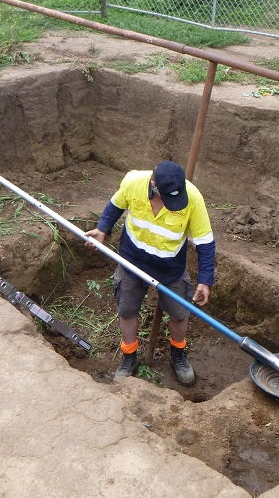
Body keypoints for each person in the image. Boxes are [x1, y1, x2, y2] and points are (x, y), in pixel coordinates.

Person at [84, 161, 215, 386]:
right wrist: (103, 229)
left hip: (170, 268)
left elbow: (205, 242)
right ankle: (129, 356)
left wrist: (205, 279)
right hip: (131, 261)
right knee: (127, 310)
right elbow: (116, 205)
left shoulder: (192, 197)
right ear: (153, 185)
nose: (173, 203)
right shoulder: (133, 182)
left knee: (179, 312)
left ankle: (178, 354)